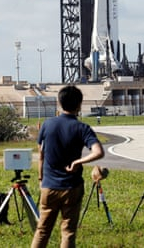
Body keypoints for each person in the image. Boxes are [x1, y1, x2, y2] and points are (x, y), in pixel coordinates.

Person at [31, 85, 105, 248]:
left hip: (48, 186)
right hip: (71, 187)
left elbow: (41, 156)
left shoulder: (46, 125)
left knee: (42, 231)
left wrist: (41, 179)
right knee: (68, 232)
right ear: (79, 105)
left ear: (59, 103)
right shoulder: (82, 128)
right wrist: (78, 162)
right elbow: (98, 152)